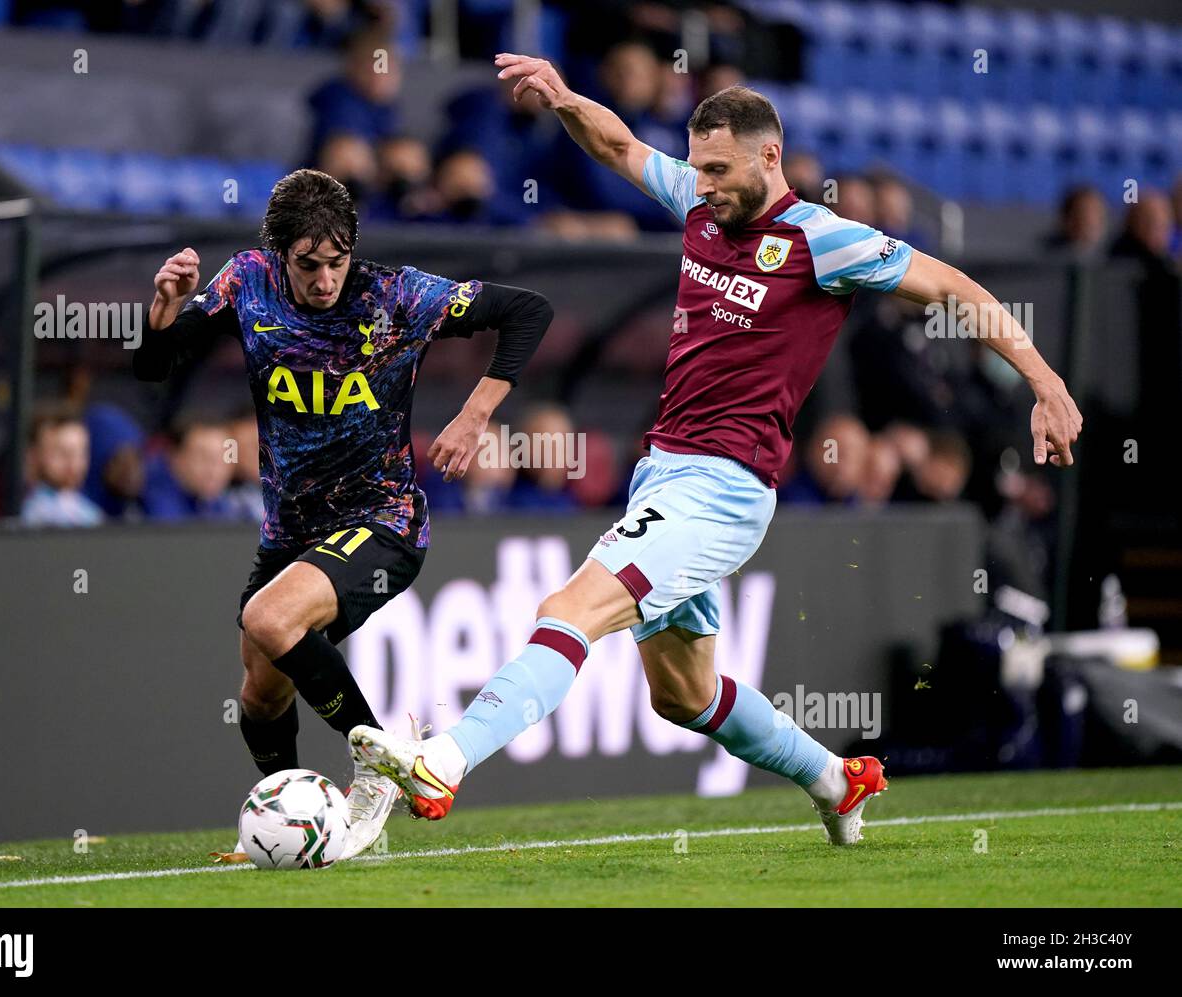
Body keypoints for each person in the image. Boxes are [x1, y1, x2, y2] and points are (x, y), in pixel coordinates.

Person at [351, 57, 1083, 846]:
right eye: (696, 166)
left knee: (570, 609)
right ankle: (837, 781)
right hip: (664, 476)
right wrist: (564, 98)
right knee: (682, 693)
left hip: (725, 486)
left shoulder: (823, 241)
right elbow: (618, 146)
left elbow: (954, 291)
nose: (701, 184)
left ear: (770, 158)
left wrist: (1046, 385)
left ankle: (445, 759)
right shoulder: (701, 204)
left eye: (719, 169)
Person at [134, 168, 552, 859]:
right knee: (261, 693)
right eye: (308, 264)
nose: (325, 279)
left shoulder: (396, 295)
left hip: (382, 519)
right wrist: (163, 309)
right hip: (289, 532)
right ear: (278, 254)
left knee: (268, 618)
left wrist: (476, 415)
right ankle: (294, 824)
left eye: (336, 261)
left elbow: (528, 310)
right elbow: (154, 368)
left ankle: (378, 762)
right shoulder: (247, 281)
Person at [21, 408, 104, 528]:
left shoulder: (89, 511)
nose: (74, 463)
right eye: (62, 453)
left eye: (80, 453)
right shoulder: (30, 513)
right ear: (33, 456)